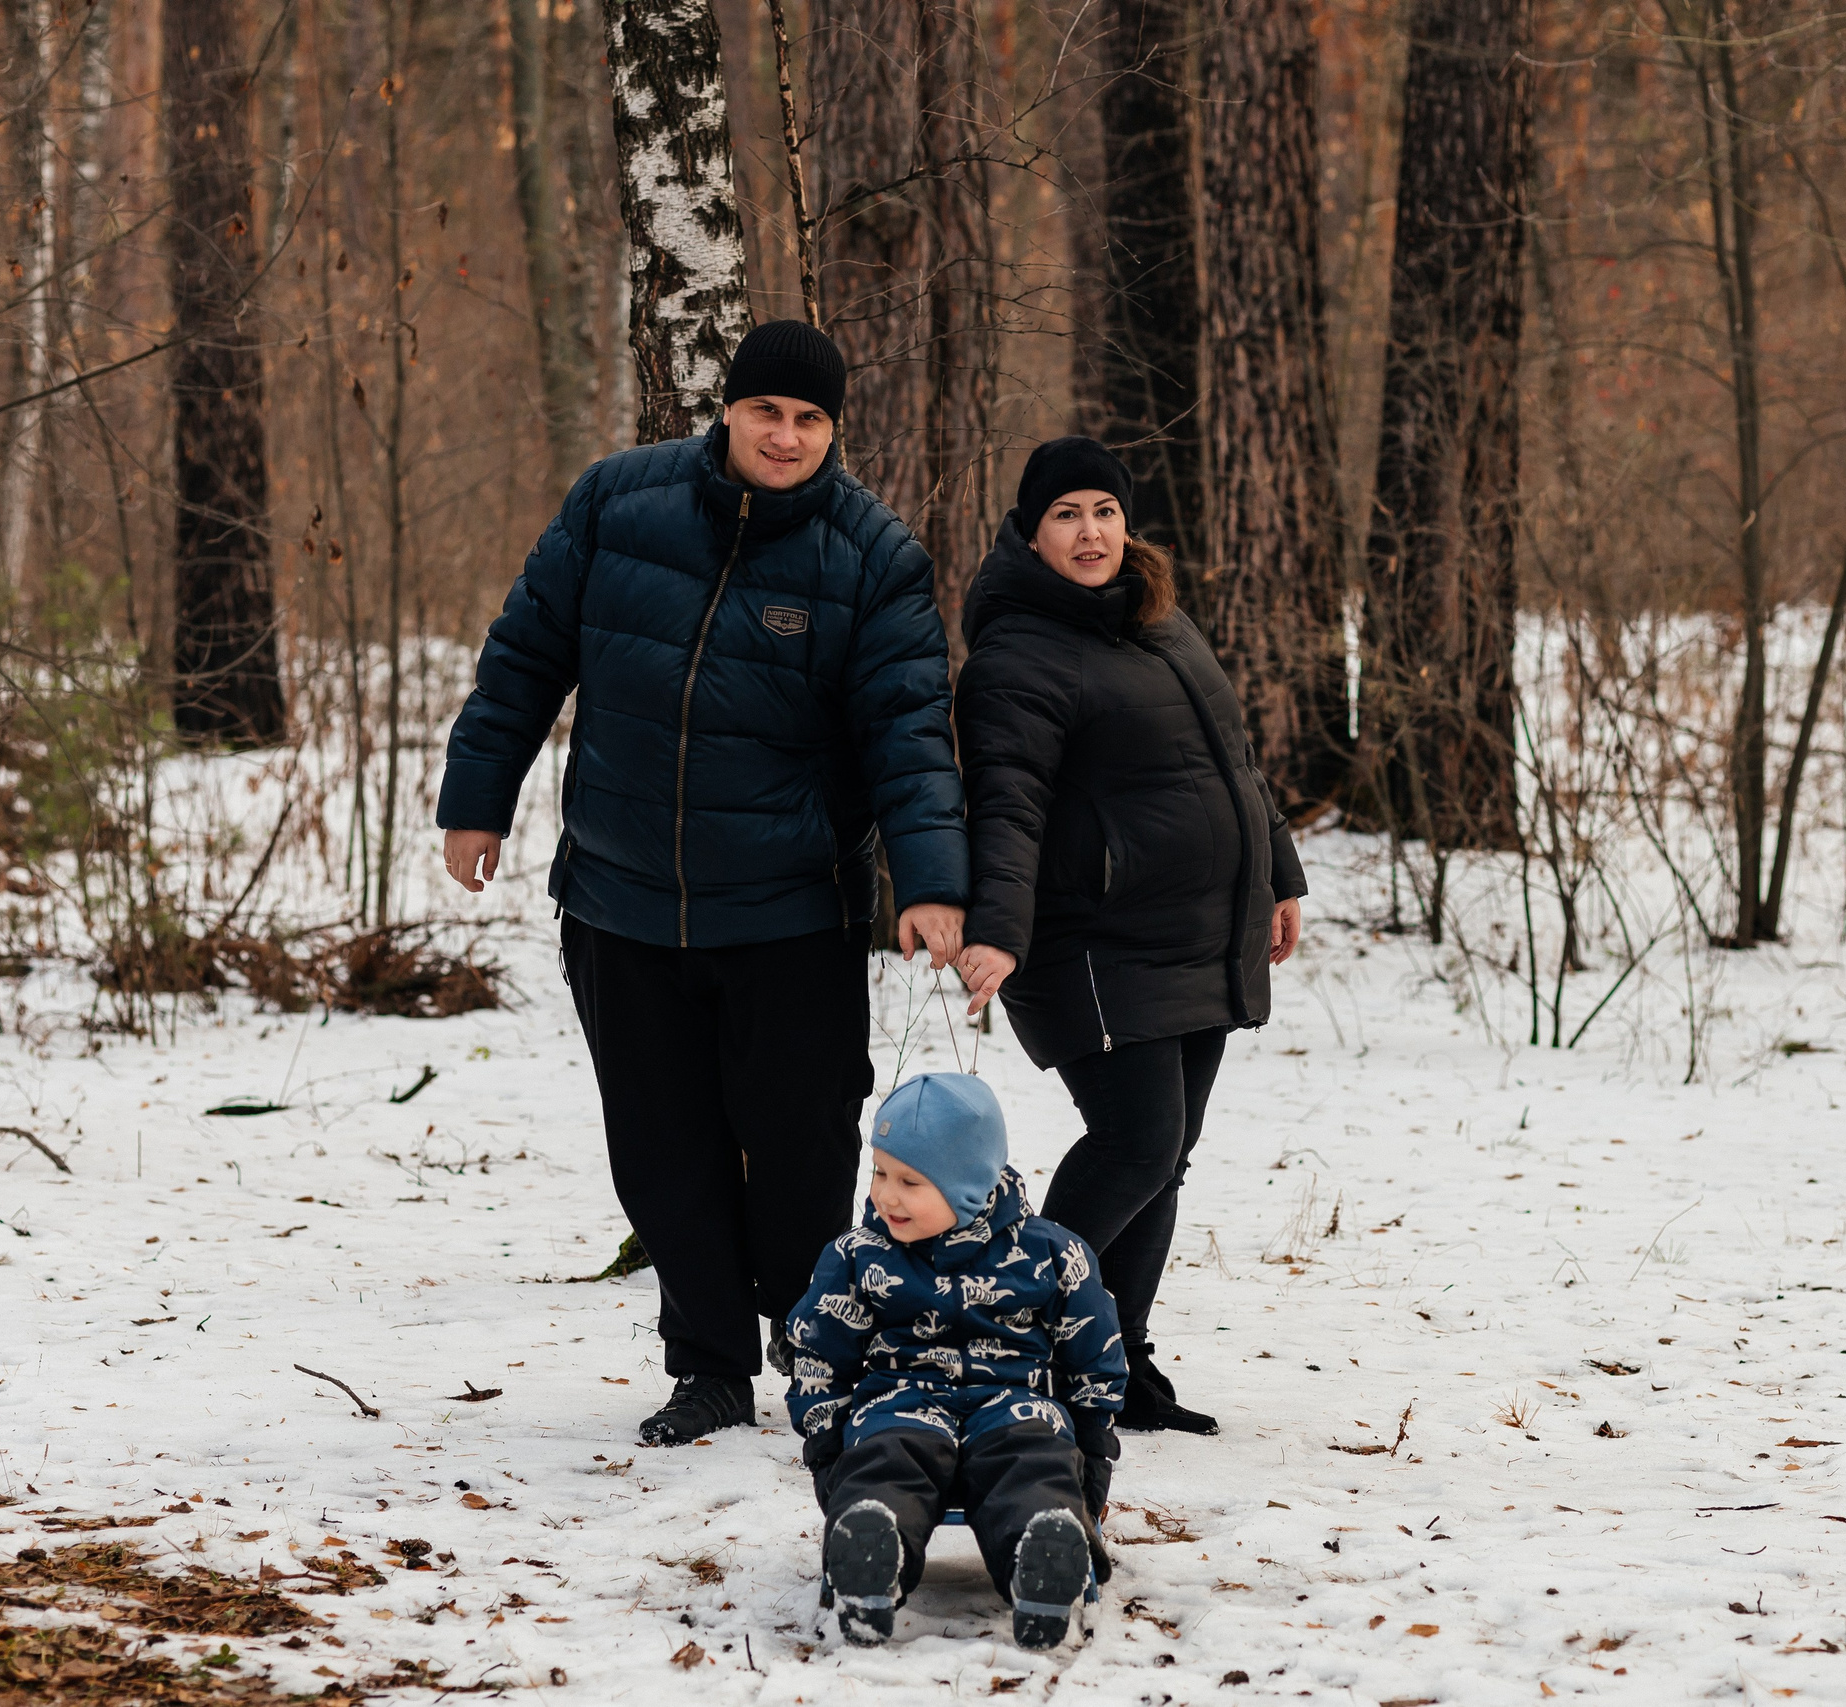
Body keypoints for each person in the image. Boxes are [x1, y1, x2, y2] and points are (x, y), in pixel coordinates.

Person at [436, 321, 968, 1447]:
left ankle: (809, 1333)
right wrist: (477, 794)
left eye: (810, 419)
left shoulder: (872, 556)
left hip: (787, 909)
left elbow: (909, 731)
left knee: (802, 1149)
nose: (785, 436)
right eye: (767, 411)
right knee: (662, 1149)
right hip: (621, 901)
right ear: (725, 408)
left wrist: (928, 879)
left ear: (833, 431)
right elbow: (526, 652)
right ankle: (709, 1365)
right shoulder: (615, 504)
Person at [950, 436, 1304, 1437]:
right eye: (1066, 514)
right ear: (1030, 531)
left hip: (1195, 932)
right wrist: (1000, 933)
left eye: (1104, 511)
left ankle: (1113, 1361)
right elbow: (1005, 808)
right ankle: (1008, 1332)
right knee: (1138, 1142)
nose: (1091, 532)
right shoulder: (1016, 655)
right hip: (1093, 945)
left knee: (1165, 1155)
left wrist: (1278, 875)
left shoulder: (1160, 623)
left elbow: (1232, 761)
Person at [785, 1073, 1126, 1651]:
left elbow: (1094, 1351)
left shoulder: (1050, 1253)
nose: (886, 1195)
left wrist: (1093, 1446)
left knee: (1032, 1461)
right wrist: (826, 1445)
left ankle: (1041, 1553)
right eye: (880, 1172)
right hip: (900, 1402)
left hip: (1016, 1404)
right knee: (888, 1458)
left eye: (910, 1181)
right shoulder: (857, 1256)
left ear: (968, 1184)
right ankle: (871, 1544)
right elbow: (819, 1350)